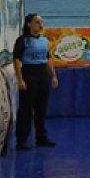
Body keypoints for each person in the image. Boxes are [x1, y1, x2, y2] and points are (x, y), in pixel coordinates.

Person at [13, 13, 59, 150]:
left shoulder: (44, 40)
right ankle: (21, 140)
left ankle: (41, 137)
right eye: (37, 22)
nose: (40, 25)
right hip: (29, 73)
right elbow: (16, 60)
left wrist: (53, 76)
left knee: (41, 107)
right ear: (29, 24)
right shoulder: (23, 40)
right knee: (26, 108)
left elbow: (48, 59)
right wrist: (20, 79)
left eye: (41, 22)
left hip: (42, 74)